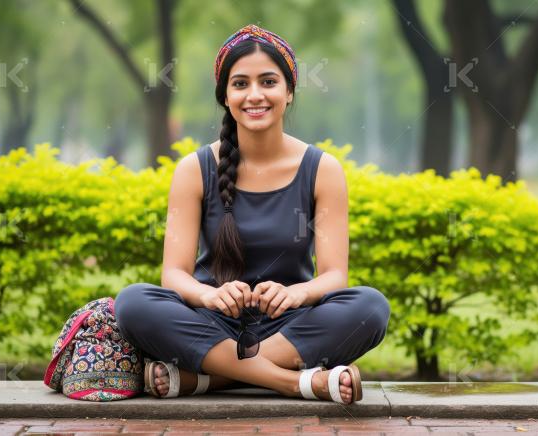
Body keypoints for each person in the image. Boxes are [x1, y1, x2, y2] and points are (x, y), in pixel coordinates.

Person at [114, 24, 390, 404]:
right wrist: (208, 297)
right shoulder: (195, 169)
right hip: (212, 323)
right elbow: (173, 274)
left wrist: (297, 293)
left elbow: (334, 276)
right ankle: (296, 383)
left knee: (370, 307)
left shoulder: (323, 169)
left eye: (269, 82)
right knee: (133, 303)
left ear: (289, 92)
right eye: (240, 84)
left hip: (289, 325)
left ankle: (209, 378)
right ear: (225, 96)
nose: (255, 95)